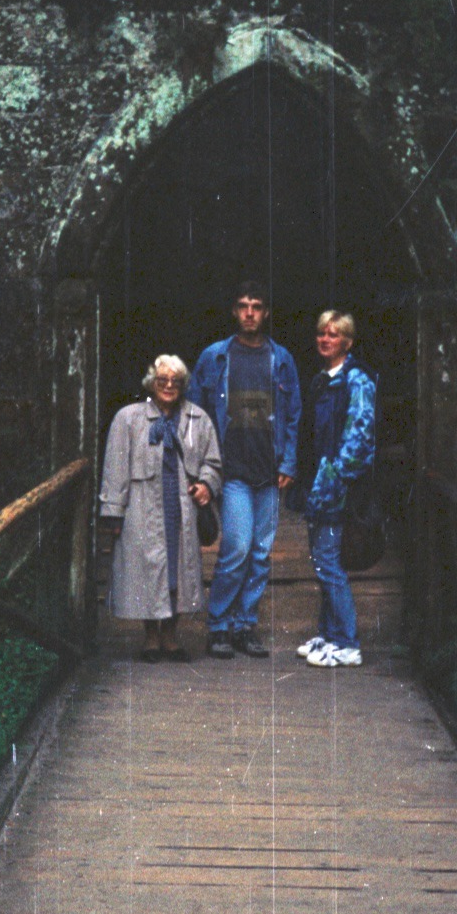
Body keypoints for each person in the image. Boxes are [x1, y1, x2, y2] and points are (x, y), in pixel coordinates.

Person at [187, 280, 301, 658]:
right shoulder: (215, 356)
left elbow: (294, 414)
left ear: (266, 312)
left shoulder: (280, 358)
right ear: (234, 312)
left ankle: (244, 626)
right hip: (231, 470)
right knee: (236, 548)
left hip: (268, 470)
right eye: (243, 306)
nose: (250, 312)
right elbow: (195, 414)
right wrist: (200, 469)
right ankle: (218, 626)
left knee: (260, 553)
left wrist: (288, 461)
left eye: (257, 306)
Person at [99, 355, 222, 661]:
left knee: (179, 572)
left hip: (182, 508)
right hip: (142, 508)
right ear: (151, 383)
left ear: (183, 386)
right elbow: (115, 468)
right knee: (147, 570)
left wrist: (206, 484)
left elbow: (213, 462)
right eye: (162, 380)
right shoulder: (128, 418)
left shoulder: (198, 418)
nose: (169, 386)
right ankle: (150, 638)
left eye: (175, 381)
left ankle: (171, 637)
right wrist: (113, 512)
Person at [294, 310, 376, 668]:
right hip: (318, 483)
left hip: (339, 488)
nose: (325, 340)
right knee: (323, 560)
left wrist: (337, 476)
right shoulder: (320, 381)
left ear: (348, 342)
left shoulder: (357, 380)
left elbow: (360, 436)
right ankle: (328, 636)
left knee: (329, 561)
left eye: (334, 334)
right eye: (321, 333)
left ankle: (347, 642)